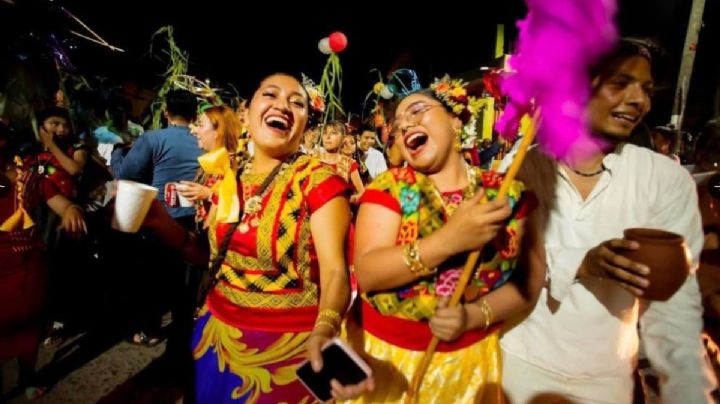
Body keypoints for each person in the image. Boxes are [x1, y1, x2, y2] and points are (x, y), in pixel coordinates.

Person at [500, 38, 718, 403]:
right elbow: (506, 260)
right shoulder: (524, 168)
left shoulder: (664, 180)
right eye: (621, 84)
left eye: (646, 90)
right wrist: (582, 261)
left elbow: (673, 306)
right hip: (522, 367)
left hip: (610, 381)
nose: (639, 101)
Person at [142, 73, 374, 403]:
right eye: (271, 95)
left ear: (306, 123)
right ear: (246, 113)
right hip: (215, 341)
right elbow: (205, 256)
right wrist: (159, 220)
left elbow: (337, 273)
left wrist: (326, 328)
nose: (284, 105)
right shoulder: (228, 176)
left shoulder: (318, 182)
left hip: (289, 354)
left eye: (297, 103)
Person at [349, 73, 542, 403]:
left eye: (418, 110)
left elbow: (530, 281)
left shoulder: (506, 191)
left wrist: (472, 316)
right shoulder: (388, 188)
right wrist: (450, 240)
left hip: (473, 366)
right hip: (389, 361)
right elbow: (367, 273)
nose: (405, 124)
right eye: (398, 125)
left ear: (455, 123)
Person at [1, 121, 86, 400]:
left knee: (28, 327)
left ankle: (28, 376)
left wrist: (72, 210)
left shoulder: (31, 175)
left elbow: (61, 200)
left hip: (28, 267)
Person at [319, 121, 365, 202]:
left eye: (333, 133)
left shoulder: (349, 163)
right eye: (325, 133)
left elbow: (362, 193)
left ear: (343, 138)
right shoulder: (313, 160)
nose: (327, 137)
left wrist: (347, 200)